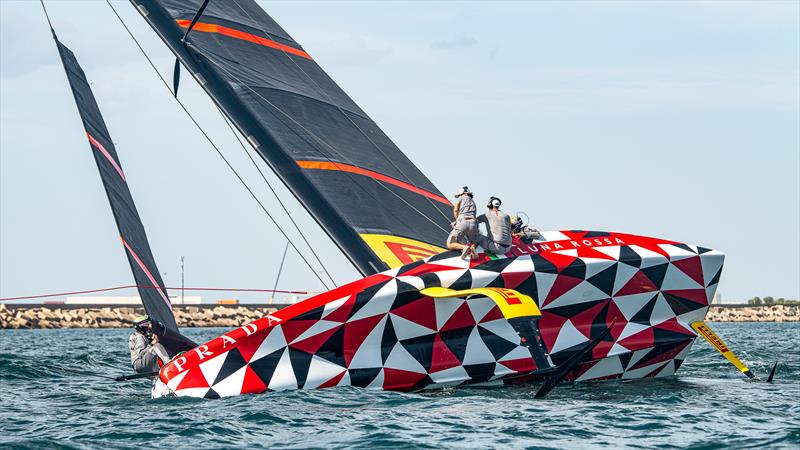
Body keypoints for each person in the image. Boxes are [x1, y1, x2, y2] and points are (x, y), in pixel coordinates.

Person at [446, 186, 479, 259]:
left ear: (461, 194)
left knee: (450, 243)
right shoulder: (473, 202)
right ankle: (472, 248)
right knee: (473, 241)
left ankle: (464, 247)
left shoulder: (462, 198)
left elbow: (456, 209)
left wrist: (457, 220)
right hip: (473, 222)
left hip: (462, 221)